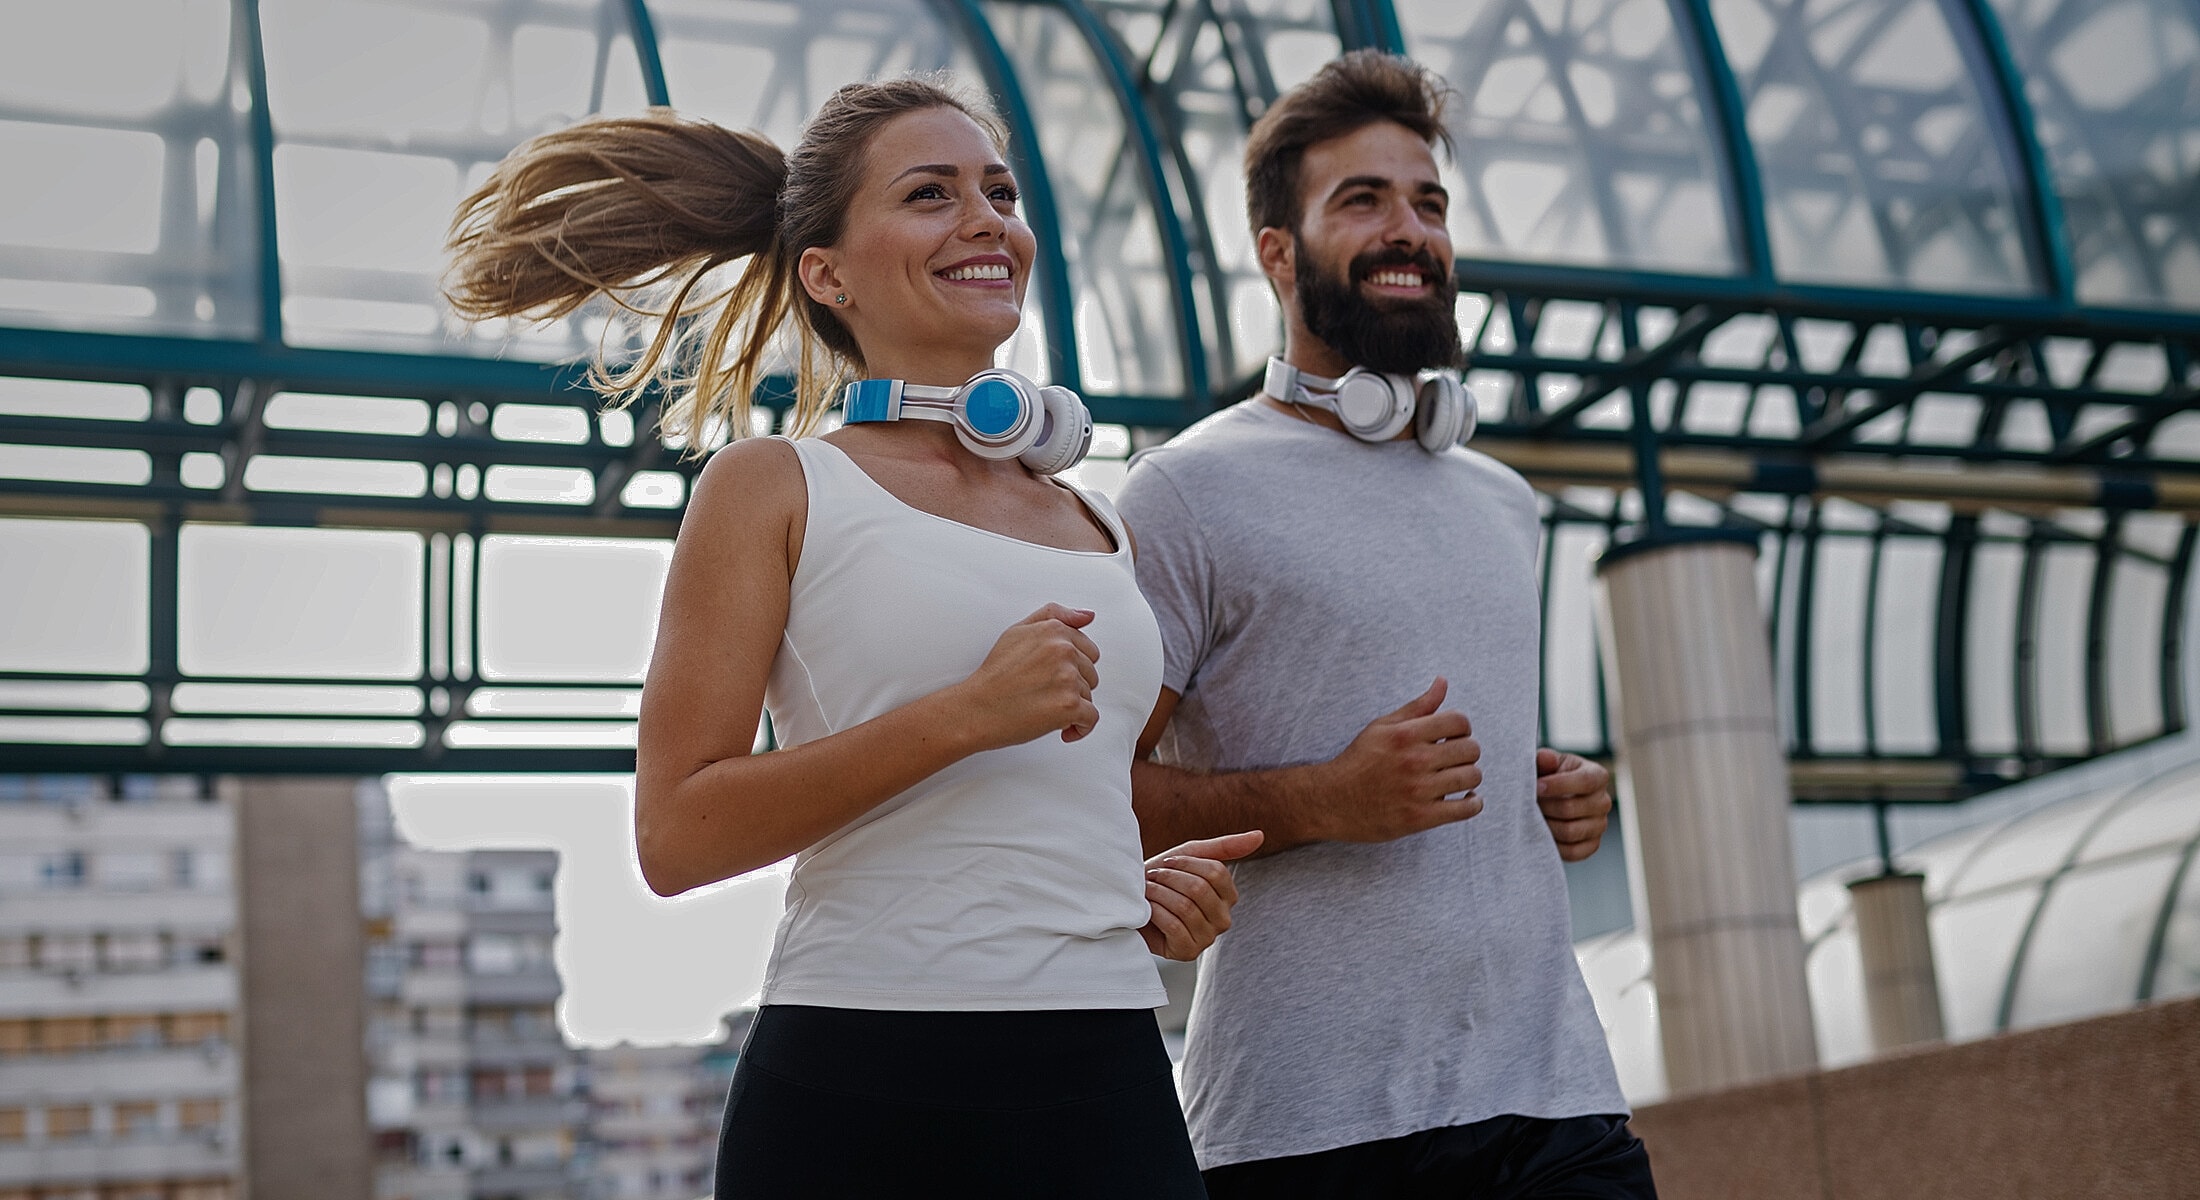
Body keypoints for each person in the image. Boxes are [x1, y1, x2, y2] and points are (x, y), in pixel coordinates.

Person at [443, 77, 1261, 1198]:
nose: (985, 220)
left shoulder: (1097, 519)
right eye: (930, 194)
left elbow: (1064, 801)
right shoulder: (773, 486)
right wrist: (963, 716)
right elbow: (677, 836)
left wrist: (1144, 887)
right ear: (825, 273)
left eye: (1000, 191)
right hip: (864, 1080)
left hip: (1105, 1067)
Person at [1117, 50, 1655, 1198]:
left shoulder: (1503, 501)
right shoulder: (1183, 492)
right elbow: (1083, 794)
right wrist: (1322, 800)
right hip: (1310, 1130)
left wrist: (1553, 791)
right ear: (1277, 252)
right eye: (1360, 201)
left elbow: (1457, 755)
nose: (1408, 229)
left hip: (1557, 1098)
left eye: (1428, 203)